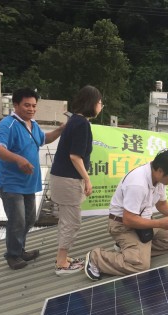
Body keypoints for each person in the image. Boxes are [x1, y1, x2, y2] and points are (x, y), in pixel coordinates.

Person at [84, 149, 168, 280]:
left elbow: (162, 205)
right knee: (140, 266)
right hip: (123, 226)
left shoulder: (159, 180)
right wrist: (159, 223)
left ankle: (132, 250)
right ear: (160, 171)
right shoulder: (138, 183)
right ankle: (97, 258)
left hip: (144, 222)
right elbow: (128, 220)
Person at [0, 88, 65, 270]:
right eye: (27, 105)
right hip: (11, 183)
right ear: (15, 105)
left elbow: (44, 139)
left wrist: (63, 129)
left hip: (28, 183)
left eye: (34, 105)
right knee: (17, 221)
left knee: (30, 219)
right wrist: (18, 159)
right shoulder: (7, 125)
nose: (31, 109)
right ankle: (13, 255)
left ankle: (19, 249)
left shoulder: (32, 124)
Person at [50, 85, 103, 275]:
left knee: (67, 220)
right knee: (71, 222)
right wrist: (87, 179)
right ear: (92, 104)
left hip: (61, 177)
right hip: (68, 179)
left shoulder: (74, 120)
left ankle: (62, 257)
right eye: (99, 102)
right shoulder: (82, 124)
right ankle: (62, 263)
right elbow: (75, 156)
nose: (101, 106)